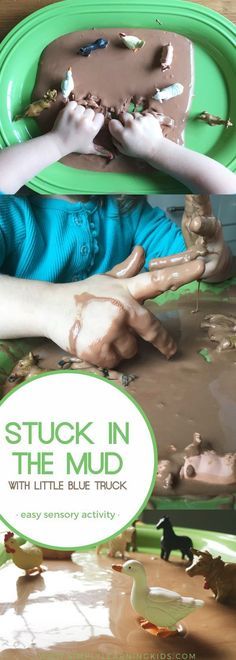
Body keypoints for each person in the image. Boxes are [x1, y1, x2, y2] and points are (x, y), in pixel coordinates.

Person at [0, 105, 233, 368]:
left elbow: (201, 268)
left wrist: (215, 260)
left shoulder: (133, 215)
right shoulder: (10, 214)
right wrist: (57, 142)